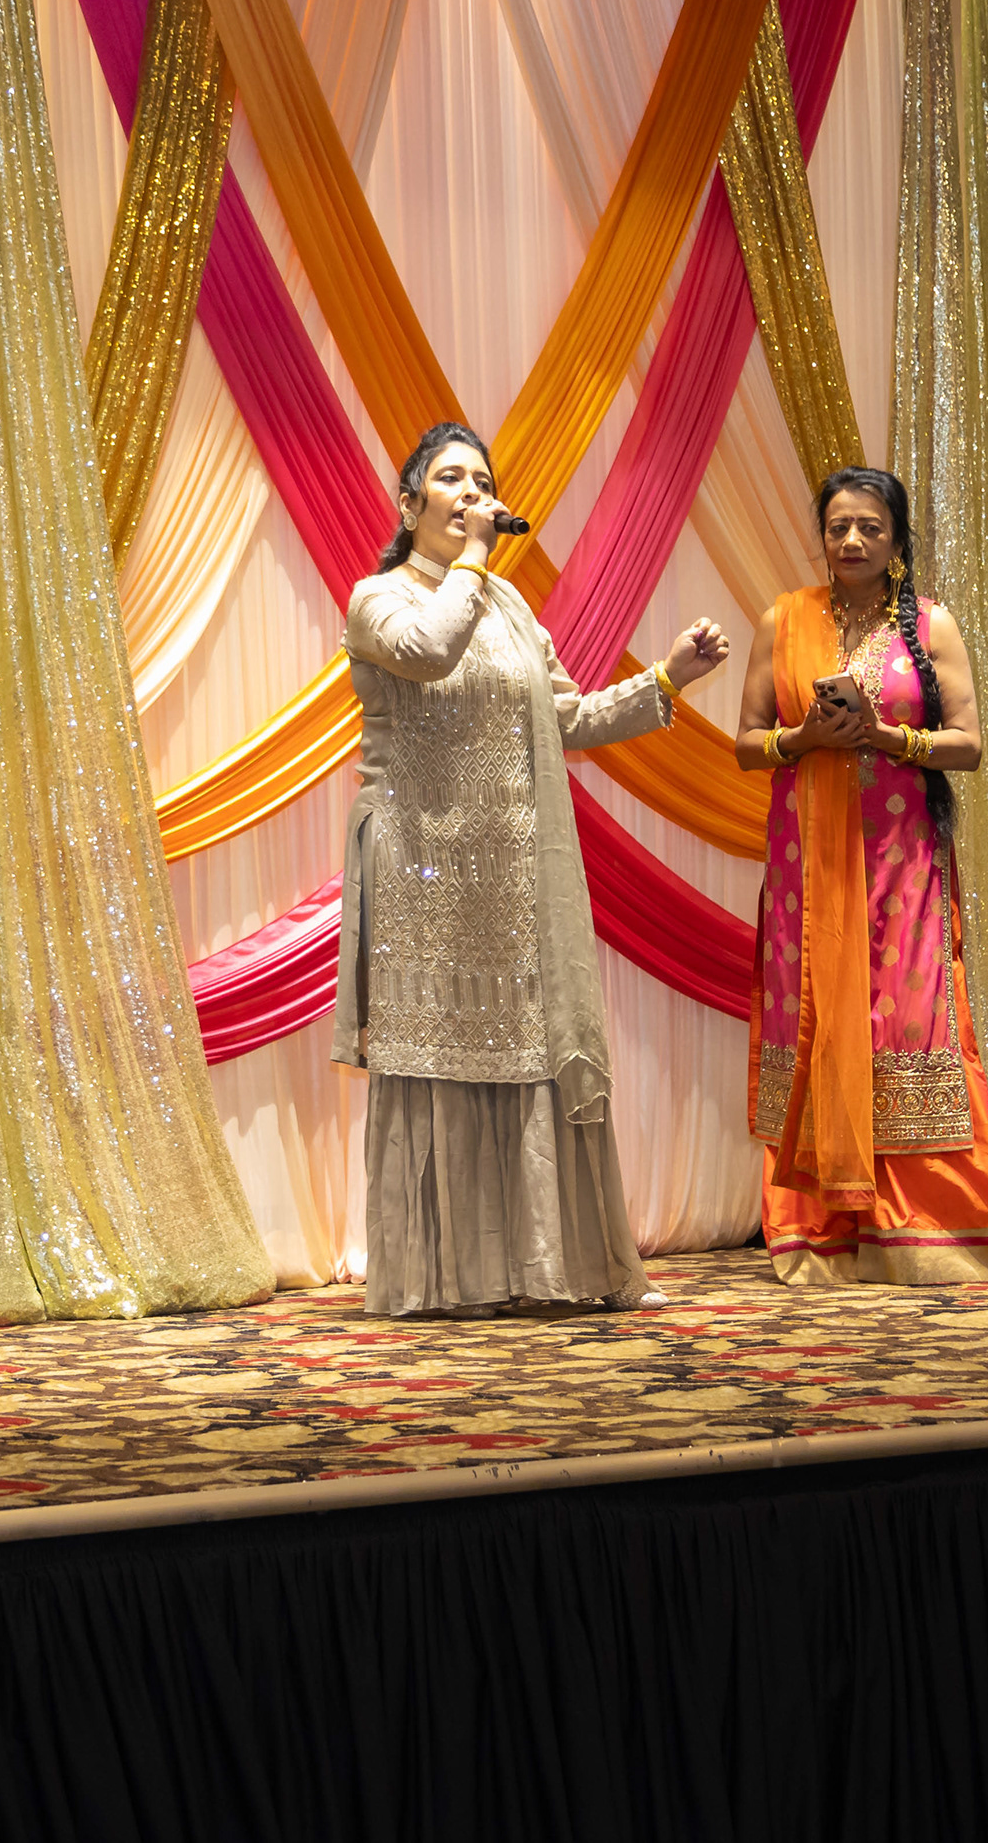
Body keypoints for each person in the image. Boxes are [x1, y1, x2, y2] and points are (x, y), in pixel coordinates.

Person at [329, 423, 729, 1317]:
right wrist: (474, 561)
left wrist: (666, 681)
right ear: (409, 504)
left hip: (513, 872)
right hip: (422, 867)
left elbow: (567, 719)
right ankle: (442, 1278)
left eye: (482, 480)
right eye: (451, 479)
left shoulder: (509, 607)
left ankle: (546, 1266)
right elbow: (429, 651)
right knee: (438, 1056)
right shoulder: (377, 598)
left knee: (530, 1052)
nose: (472, 493)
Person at [734, 470, 988, 1286]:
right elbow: (747, 743)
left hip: (903, 861)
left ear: (897, 540)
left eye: (870, 527)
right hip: (808, 865)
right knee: (818, 1016)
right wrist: (803, 739)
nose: (852, 541)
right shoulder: (783, 621)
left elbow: (968, 745)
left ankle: (921, 1224)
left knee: (906, 1021)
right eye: (839, 526)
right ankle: (822, 1224)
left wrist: (885, 737)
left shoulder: (931, 625)